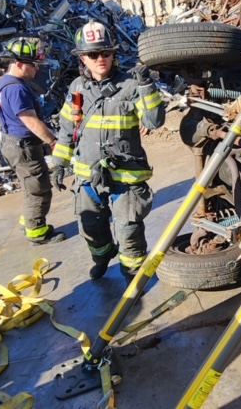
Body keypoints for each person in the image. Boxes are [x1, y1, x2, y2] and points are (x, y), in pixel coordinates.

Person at [51, 20, 165, 286]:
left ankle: (132, 276)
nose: (100, 59)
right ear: (82, 58)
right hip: (87, 175)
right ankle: (102, 258)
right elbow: (68, 130)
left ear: (114, 54)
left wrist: (147, 85)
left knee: (129, 229)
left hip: (126, 175)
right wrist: (59, 164)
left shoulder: (132, 84)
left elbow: (154, 121)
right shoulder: (76, 89)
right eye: (93, 54)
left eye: (106, 52)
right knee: (91, 228)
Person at [0, 38, 66, 245]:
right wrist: (53, 141)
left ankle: (29, 220)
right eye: (33, 64)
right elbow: (30, 121)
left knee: (29, 186)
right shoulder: (16, 89)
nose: (36, 69)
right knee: (38, 189)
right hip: (23, 147)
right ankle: (37, 232)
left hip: (13, 143)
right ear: (18, 64)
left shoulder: (3, 83)